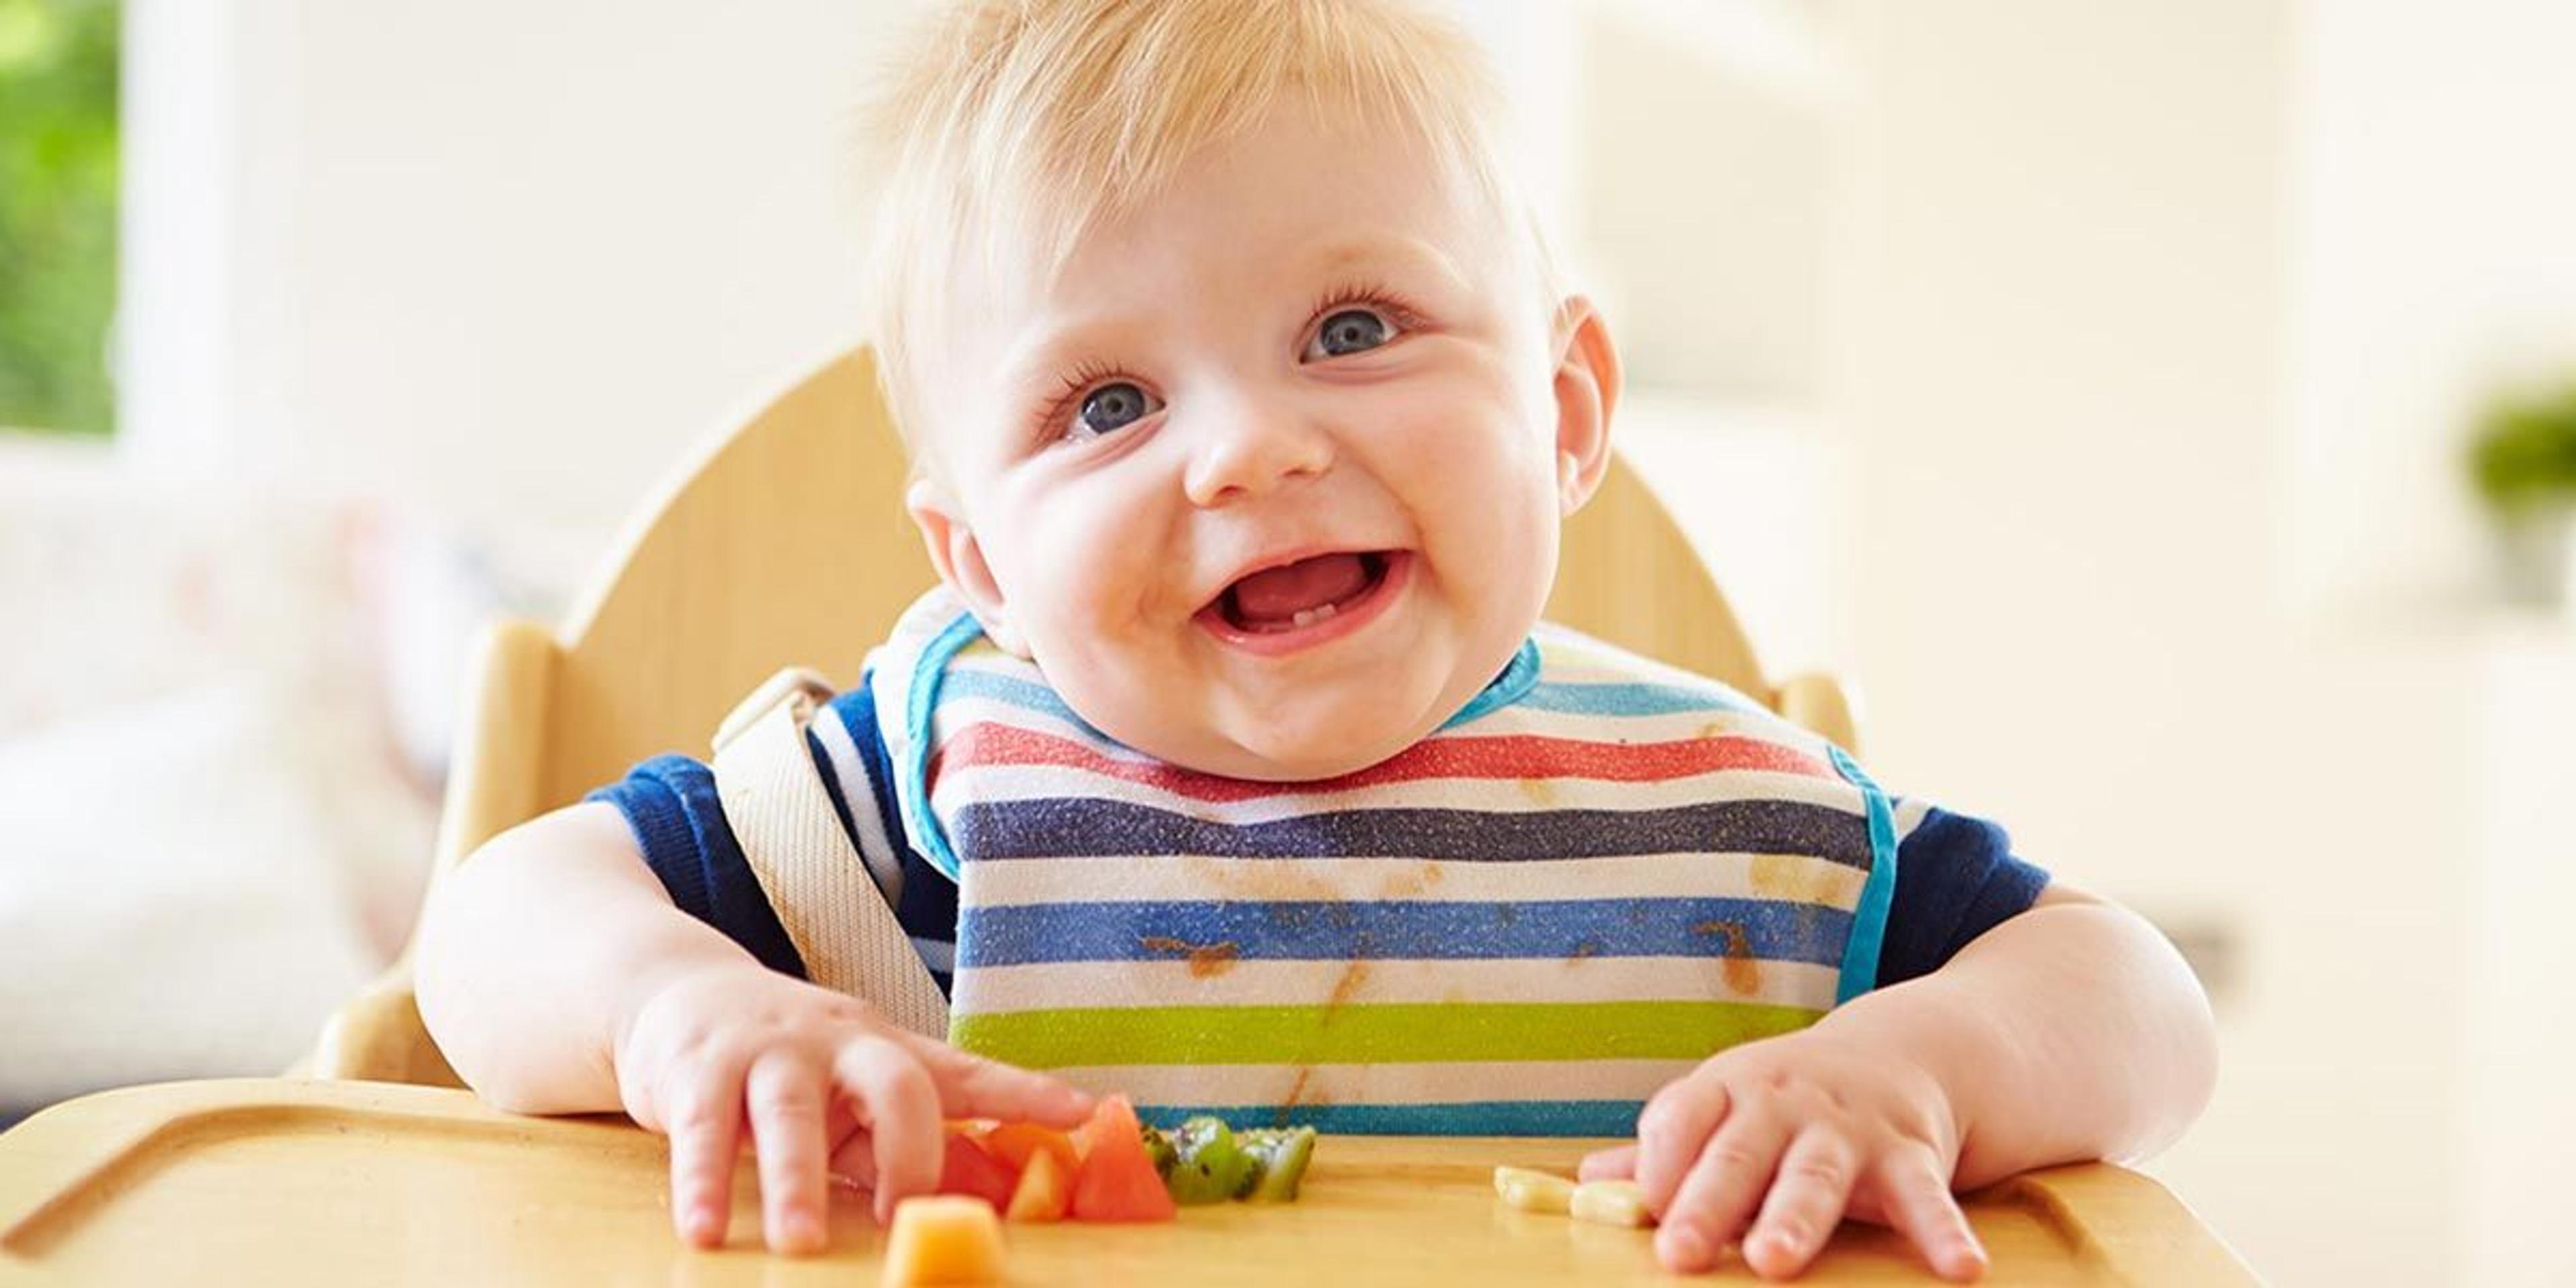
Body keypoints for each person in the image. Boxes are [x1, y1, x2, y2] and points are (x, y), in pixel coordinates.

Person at [413, 1, 2217, 1279]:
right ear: (980, 566)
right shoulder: (912, 805)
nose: (1247, 448)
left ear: (1569, 406)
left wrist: (1910, 1069)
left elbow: (2138, 1007)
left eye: (1355, 327)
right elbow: (494, 929)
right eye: (1107, 400)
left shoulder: (1731, 825)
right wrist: (689, 1017)